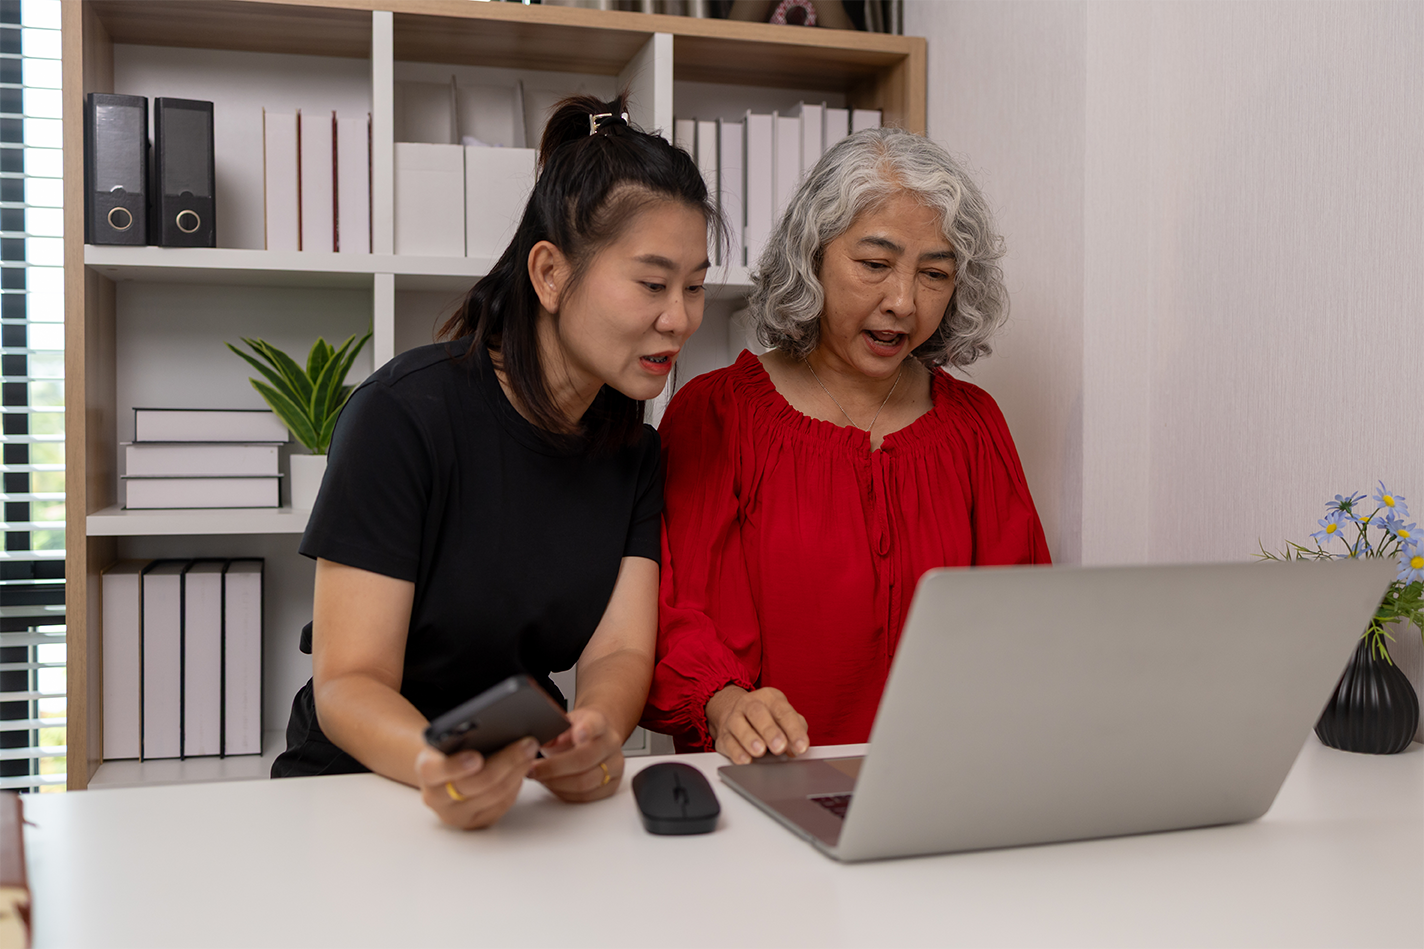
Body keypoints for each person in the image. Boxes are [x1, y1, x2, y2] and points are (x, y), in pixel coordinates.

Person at [271, 94, 716, 831]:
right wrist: (434, 765)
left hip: (516, 789)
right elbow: (349, 681)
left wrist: (596, 731)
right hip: (358, 786)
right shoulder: (402, 416)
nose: (680, 318)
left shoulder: (635, 450)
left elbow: (621, 651)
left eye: (695, 286)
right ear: (548, 273)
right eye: (651, 283)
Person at [642, 128, 1051, 763]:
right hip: (762, 790)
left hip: (939, 791)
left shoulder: (974, 428)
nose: (903, 302)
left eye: (935, 274)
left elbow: (1022, 626)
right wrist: (725, 702)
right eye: (875, 264)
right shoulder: (718, 414)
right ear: (812, 257)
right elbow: (674, 611)